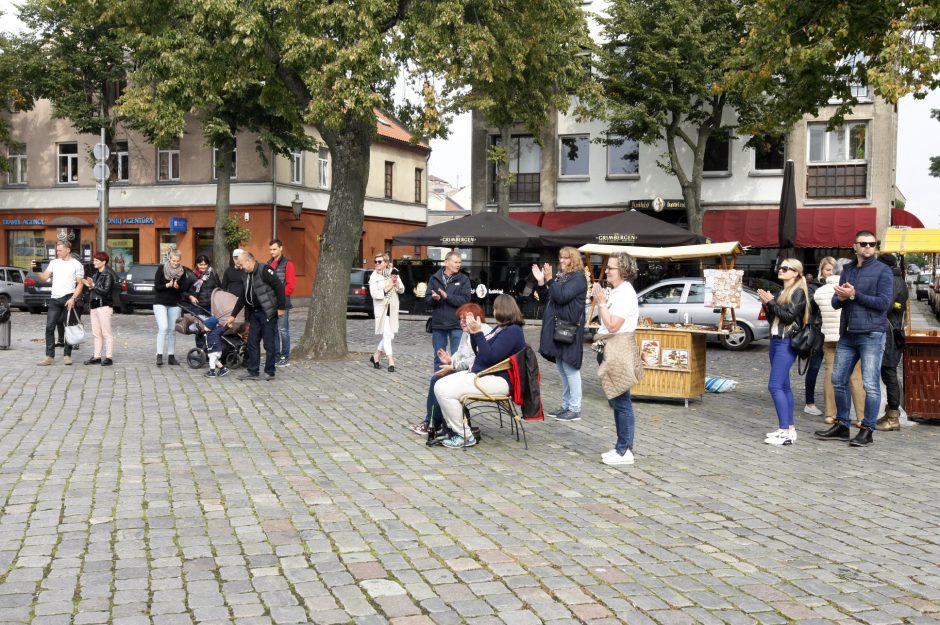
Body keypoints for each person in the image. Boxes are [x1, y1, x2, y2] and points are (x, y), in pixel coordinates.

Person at [815, 230, 894, 447]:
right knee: (838, 380)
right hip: (848, 334)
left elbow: (884, 304)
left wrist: (854, 295)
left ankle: (867, 430)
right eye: (864, 244)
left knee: (870, 384)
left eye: (872, 244)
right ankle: (842, 425)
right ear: (855, 246)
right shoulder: (848, 269)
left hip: (871, 334)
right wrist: (840, 297)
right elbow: (835, 302)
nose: (868, 247)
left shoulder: (883, 271)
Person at [433, 294, 527, 449]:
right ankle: (453, 429)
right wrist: (473, 332)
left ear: (501, 310)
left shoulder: (513, 331)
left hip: (499, 381)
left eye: (495, 308)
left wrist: (477, 333)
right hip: (485, 374)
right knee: (439, 383)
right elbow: (481, 353)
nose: (494, 312)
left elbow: (490, 356)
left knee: (444, 390)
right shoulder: (501, 329)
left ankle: (465, 436)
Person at [591, 251, 642, 465]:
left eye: (611, 268)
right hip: (612, 347)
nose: (607, 271)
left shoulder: (625, 293)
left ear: (622, 270)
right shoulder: (618, 291)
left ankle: (625, 450)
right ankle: (621, 447)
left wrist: (601, 302)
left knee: (621, 402)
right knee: (618, 400)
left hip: (618, 348)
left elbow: (612, 325)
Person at [411, 303, 491, 436]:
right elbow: (459, 353)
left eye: (464, 319)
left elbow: (476, 359)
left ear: (474, 318)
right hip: (466, 370)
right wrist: (450, 360)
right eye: (460, 319)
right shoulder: (466, 332)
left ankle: (433, 422)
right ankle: (433, 421)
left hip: (478, 374)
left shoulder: (482, 331)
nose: (461, 322)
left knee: (439, 380)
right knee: (436, 377)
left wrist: (454, 366)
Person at [532, 246, 588, 421]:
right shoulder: (561, 277)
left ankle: (575, 408)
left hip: (569, 328)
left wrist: (549, 280)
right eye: (561, 258)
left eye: (566, 258)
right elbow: (546, 299)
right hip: (557, 328)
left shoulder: (578, 278)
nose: (562, 261)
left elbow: (562, 296)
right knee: (563, 369)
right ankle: (566, 406)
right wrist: (542, 282)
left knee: (571, 368)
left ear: (574, 260)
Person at [758, 259, 809, 446]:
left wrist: (771, 302)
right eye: (780, 267)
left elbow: (789, 317)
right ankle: (789, 428)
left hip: (786, 342)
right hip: (775, 340)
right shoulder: (782, 292)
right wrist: (767, 303)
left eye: (786, 268)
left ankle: (784, 431)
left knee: (775, 386)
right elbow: (773, 318)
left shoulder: (798, 292)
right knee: (784, 386)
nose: (781, 270)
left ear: (796, 273)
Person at [815, 259, 868, 426]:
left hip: (829, 338)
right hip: (849, 337)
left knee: (830, 374)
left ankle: (830, 414)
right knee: (855, 376)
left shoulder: (819, 292)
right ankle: (861, 417)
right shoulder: (849, 289)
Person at [228, 252, 286, 381]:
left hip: (267, 312)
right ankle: (253, 371)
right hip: (254, 313)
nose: (241, 267)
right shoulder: (246, 275)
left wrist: (281, 307)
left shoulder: (264, 270)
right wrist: (233, 315)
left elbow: (279, 288)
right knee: (252, 342)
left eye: (242, 264)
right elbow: (243, 296)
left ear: (249, 261)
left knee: (269, 343)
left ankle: (270, 371)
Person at [34, 241, 84, 366]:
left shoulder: (76, 264)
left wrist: (73, 298)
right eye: (57, 250)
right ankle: (49, 356)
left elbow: (80, 284)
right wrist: (36, 269)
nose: (57, 252)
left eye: (60, 250)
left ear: (68, 250)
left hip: (69, 298)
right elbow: (44, 277)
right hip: (55, 299)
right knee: (49, 327)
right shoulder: (54, 263)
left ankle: (67, 355)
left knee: (68, 327)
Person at [876, 253, 908, 431]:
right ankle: (890, 412)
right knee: (887, 373)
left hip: (890, 332)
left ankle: (894, 416)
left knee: (889, 373)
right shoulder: (897, 278)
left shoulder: (893, 280)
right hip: (891, 330)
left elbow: (886, 305)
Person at [426, 251, 472, 371]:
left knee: (458, 356)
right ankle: (438, 382)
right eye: (455, 262)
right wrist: (435, 299)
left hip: (457, 324)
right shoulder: (434, 278)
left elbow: (465, 300)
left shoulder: (464, 279)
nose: (458, 265)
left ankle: (455, 383)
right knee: (439, 357)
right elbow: (427, 299)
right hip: (439, 324)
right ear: (446, 262)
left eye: (460, 262)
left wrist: (448, 297)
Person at [802, 257, 836, 416]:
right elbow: (810, 308)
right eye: (828, 269)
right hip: (818, 331)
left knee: (835, 369)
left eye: (833, 270)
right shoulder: (814, 286)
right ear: (821, 270)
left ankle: (834, 403)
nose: (831, 273)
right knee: (814, 367)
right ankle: (809, 402)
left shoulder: (839, 285)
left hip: (834, 331)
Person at [369, 253, 405, 372]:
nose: (377, 264)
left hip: (392, 308)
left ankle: (376, 356)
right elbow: (374, 294)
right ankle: (391, 360)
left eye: (379, 262)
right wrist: (387, 287)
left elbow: (401, 290)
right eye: (375, 261)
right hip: (381, 308)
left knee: (391, 335)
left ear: (386, 262)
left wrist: (397, 284)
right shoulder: (374, 277)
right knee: (387, 335)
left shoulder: (393, 273)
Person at [153, 250, 189, 366]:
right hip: (160, 302)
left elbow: (183, 288)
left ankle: (171, 356)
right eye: (173, 261)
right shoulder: (161, 269)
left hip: (174, 303)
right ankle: (159, 355)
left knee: (172, 330)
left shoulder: (182, 272)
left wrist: (177, 286)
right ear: (169, 259)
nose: (175, 263)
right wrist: (167, 285)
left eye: (177, 261)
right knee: (163, 327)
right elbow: (156, 286)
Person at [82, 252, 117, 366]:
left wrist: (92, 285)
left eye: (97, 260)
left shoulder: (108, 274)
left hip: (104, 305)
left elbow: (105, 291)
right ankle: (97, 356)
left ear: (103, 262)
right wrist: (88, 285)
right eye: (94, 260)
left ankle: (109, 357)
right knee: (96, 333)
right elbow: (94, 290)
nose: (94, 262)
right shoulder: (97, 274)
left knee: (106, 333)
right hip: (95, 305)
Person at [268, 239, 296, 367]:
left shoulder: (288, 264)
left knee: (283, 330)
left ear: (281, 248)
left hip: (282, 302)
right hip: (270, 303)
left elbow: (290, 285)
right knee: (273, 330)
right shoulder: (268, 264)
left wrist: (280, 297)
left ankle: (285, 355)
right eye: (270, 249)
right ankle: (276, 355)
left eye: (274, 249)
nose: (272, 252)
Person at [187, 254, 221, 351]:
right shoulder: (192, 276)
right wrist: (190, 296)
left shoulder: (213, 275)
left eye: (205, 264)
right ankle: (200, 351)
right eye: (200, 264)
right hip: (197, 306)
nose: (202, 267)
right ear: (196, 264)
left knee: (212, 328)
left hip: (211, 306)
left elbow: (219, 288)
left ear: (208, 265)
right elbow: (184, 291)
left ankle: (211, 349)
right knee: (200, 329)